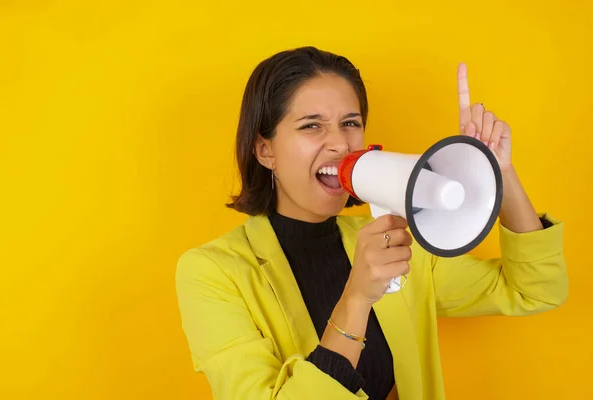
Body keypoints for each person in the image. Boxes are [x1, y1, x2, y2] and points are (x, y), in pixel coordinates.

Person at [175, 46, 568, 400]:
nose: (340, 143)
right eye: (312, 125)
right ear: (265, 150)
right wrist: (358, 297)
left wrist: (499, 172)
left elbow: (535, 290)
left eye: (351, 122)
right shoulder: (213, 272)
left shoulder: (397, 244)